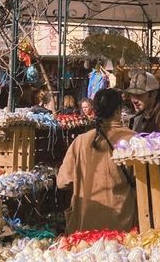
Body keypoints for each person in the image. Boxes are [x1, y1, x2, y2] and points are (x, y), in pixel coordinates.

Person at [57, 88, 137, 233]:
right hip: (120, 228)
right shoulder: (134, 140)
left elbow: (62, 182)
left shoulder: (80, 141)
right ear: (119, 110)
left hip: (84, 228)